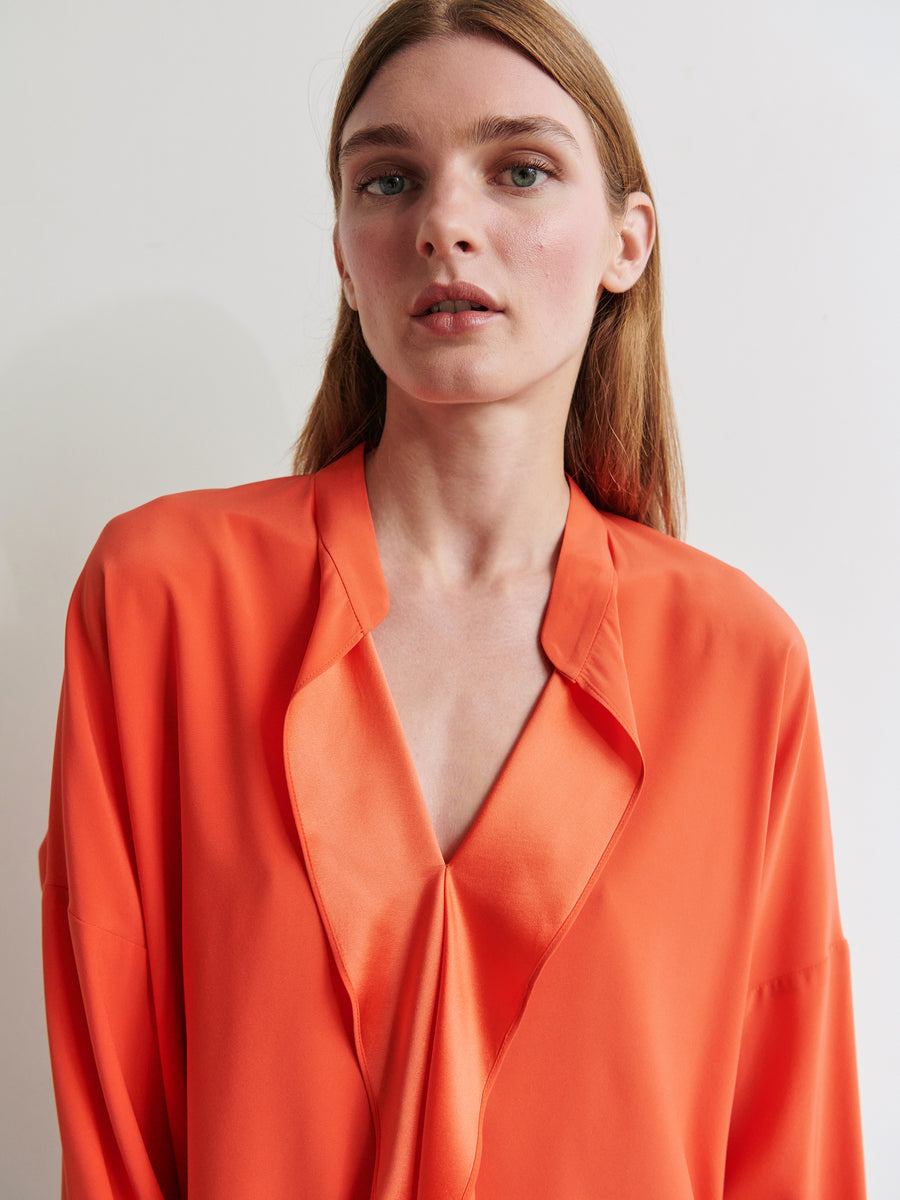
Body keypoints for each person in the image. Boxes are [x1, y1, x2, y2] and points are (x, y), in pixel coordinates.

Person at [40, 0, 866, 1195]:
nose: (445, 225)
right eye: (388, 181)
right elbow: (112, 1127)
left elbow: (792, 1152)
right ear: (340, 245)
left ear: (627, 240)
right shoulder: (161, 605)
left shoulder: (737, 662)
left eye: (519, 169)